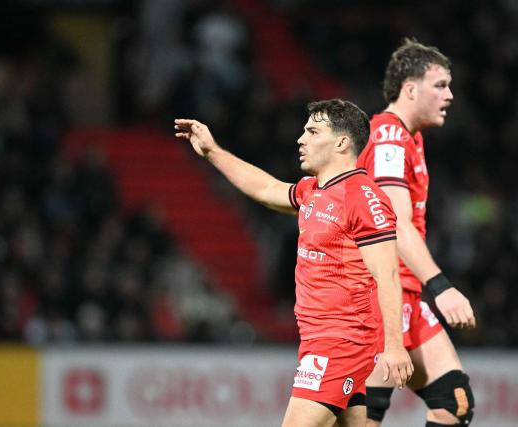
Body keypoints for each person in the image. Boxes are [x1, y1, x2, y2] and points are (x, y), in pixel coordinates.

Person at [175, 99, 413, 427]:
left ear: (342, 142)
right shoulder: (312, 192)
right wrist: (213, 151)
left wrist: (395, 346)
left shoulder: (362, 197)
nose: (301, 139)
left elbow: (387, 273)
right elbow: (265, 187)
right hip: (320, 338)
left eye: (313, 131)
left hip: (342, 341)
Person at [356, 39, 476, 426]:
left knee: (453, 403)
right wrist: (441, 286)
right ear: (410, 89)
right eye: (440, 85)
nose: (450, 95)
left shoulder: (410, 137)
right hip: (377, 298)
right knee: (363, 418)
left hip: (406, 294)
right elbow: (394, 222)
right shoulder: (389, 138)